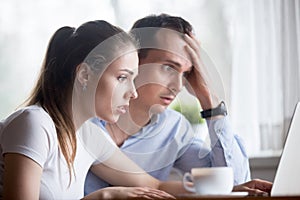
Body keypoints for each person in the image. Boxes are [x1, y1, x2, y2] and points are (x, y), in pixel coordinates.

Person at [85, 14, 273, 196]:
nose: (178, 86)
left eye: (186, 74)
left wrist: (211, 102)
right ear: (134, 61)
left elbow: (233, 186)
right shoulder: (82, 120)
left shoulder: (174, 129)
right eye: (168, 67)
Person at [0, 20, 190, 199]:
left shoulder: (88, 136)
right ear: (85, 74)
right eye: (122, 78)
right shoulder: (35, 124)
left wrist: (217, 188)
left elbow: (153, 187)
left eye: (134, 79)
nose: (133, 93)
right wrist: (102, 196)